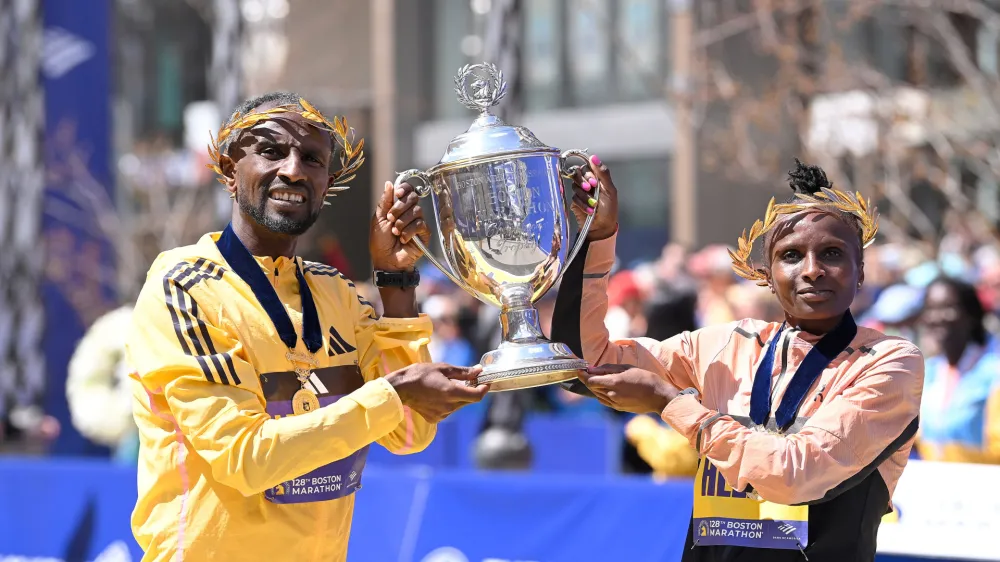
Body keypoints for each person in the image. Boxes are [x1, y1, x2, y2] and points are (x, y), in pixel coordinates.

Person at [125, 92, 488, 562]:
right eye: (272, 151)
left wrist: (396, 280)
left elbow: (409, 434)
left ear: (328, 182)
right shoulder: (184, 288)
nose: (294, 170)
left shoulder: (334, 293)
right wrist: (393, 394)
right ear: (230, 169)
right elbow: (246, 458)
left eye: (312, 159)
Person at [552, 157, 923, 561]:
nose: (813, 270)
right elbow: (582, 363)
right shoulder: (727, 345)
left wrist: (671, 405)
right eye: (792, 255)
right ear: (766, 273)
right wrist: (599, 237)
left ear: (861, 270)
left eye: (832, 254)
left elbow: (794, 475)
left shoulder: (888, 362)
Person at [917, 276, 1000, 464]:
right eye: (930, 309)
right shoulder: (927, 373)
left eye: (947, 308)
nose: (937, 317)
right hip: (931, 486)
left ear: (970, 314)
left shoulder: (993, 373)